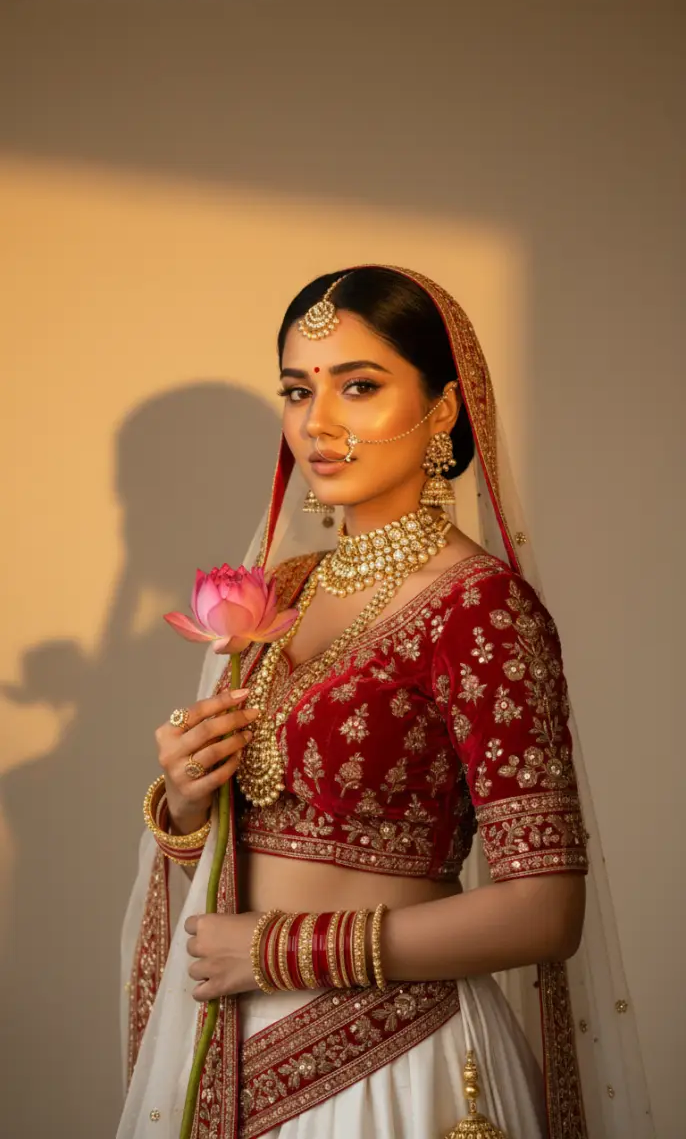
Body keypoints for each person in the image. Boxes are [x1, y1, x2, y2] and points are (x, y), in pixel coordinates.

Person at [119, 266, 650, 1139]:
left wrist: (278, 951)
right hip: (229, 1047)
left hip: (394, 1065)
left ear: (443, 409)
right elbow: (226, 861)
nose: (317, 424)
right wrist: (184, 804)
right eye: (297, 391)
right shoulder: (277, 595)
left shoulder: (481, 607)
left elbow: (546, 909)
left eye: (359, 387)